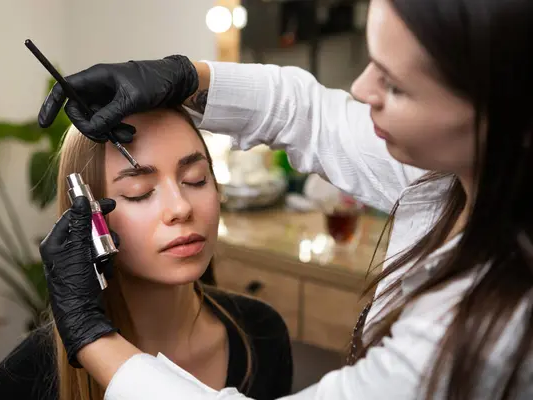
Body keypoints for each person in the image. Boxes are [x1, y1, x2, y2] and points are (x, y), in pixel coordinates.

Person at [36, 0, 533, 398]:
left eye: (396, 85)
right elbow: (310, 116)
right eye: (140, 191)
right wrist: (188, 75)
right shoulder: (26, 381)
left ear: (497, 112)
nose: (360, 88)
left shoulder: (496, 320)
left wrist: (90, 336)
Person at [0, 107, 293, 400]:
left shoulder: (262, 334)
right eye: (140, 192)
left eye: (196, 179)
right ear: (89, 219)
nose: (181, 208)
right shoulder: (22, 380)